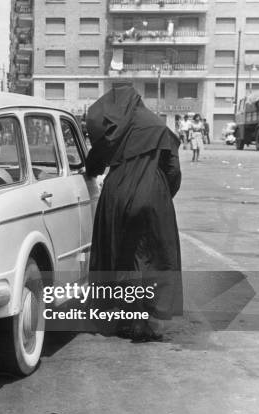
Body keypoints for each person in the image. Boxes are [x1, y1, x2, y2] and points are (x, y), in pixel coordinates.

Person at [85, 86, 183, 342]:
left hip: (117, 195)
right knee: (155, 256)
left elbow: (93, 164)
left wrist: (94, 171)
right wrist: (162, 196)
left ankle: (128, 318)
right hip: (152, 194)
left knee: (123, 256)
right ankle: (151, 321)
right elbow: (173, 168)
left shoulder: (114, 130)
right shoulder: (156, 125)